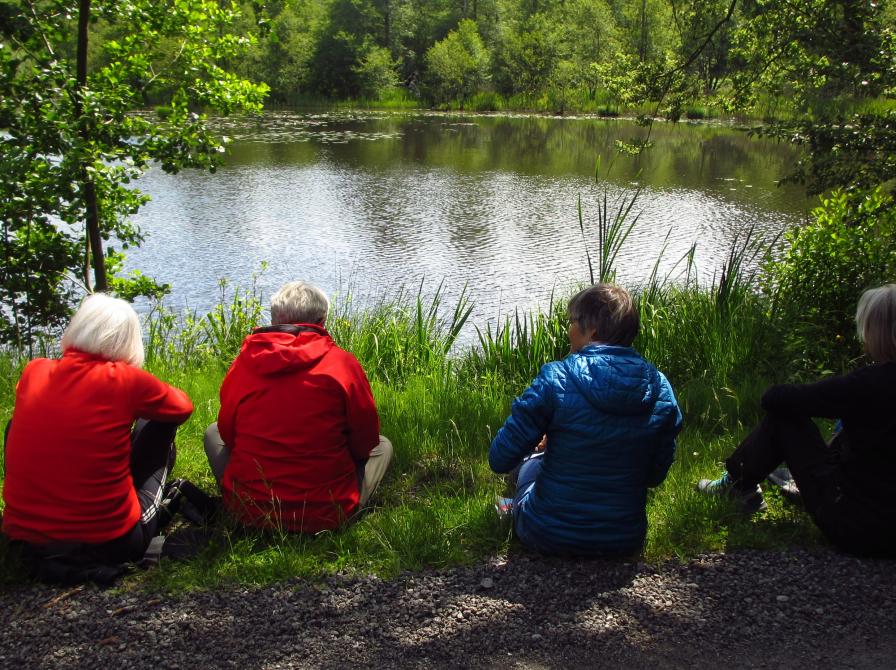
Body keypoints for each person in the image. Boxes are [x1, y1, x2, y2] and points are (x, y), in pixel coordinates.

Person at [698, 284, 896, 557]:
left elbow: (775, 398)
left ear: (876, 333)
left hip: (858, 527)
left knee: (783, 418)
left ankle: (737, 486)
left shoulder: (867, 385)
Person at [2, 294, 194, 571]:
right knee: (158, 423)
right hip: (111, 543)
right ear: (128, 340)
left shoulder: (35, 371)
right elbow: (183, 407)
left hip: (24, 541)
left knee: (14, 424)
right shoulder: (125, 380)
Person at [489, 283, 682, 556]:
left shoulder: (556, 377)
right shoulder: (659, 386)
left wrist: (546, 441)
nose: (569, 329)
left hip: (547, 533)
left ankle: (510, 508)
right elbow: (654, 476)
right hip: (624, 540)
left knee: (530, 464)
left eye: (572, 321)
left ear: (591, 330)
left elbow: (499, 458)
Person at [204, 281, 392, 532]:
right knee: (384, 446)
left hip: (251, 512)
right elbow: (366, 441)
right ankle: (349, 505)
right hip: (328, 514)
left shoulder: (244, 363)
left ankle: (242, 499)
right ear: (322, 321)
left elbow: (228, 435)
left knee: (212, 432)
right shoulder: (342, 365)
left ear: (273, 319)